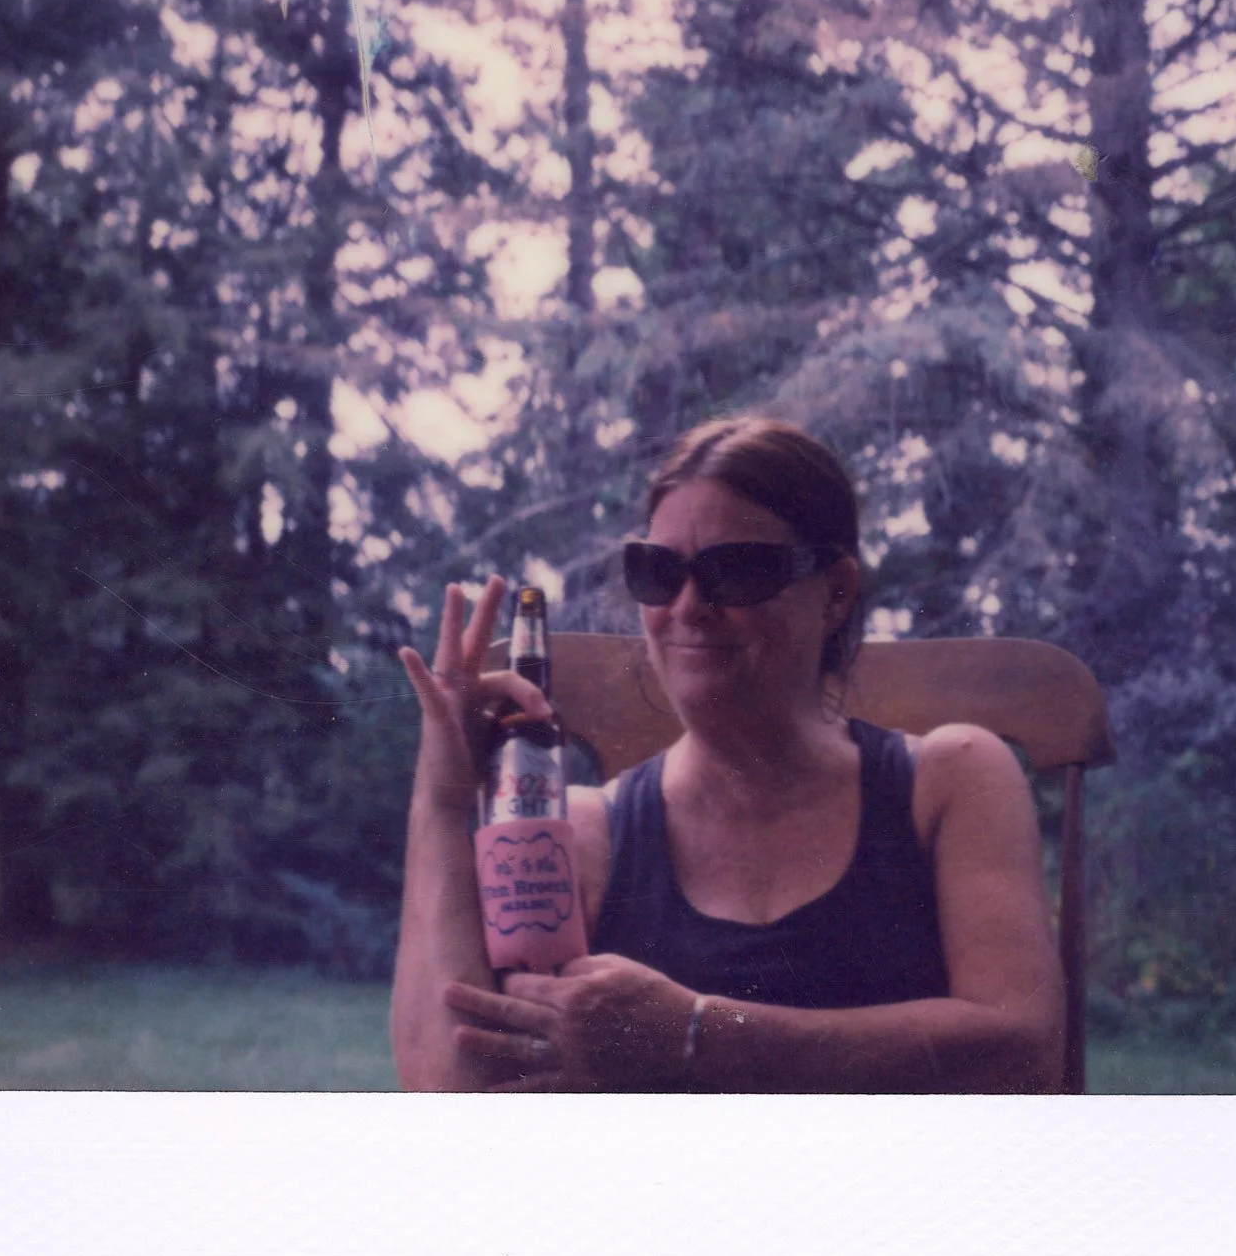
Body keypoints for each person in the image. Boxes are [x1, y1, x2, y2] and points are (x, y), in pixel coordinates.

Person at [390, 416, 1065, 1092]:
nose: (688, 606)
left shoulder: (948, 782)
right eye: (657, 571)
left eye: (735, 571)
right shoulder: (590, 839)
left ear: (835, 593)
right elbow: (456, 1087)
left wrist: (696, 1034)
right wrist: (444, 796)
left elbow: (1026, 1053)